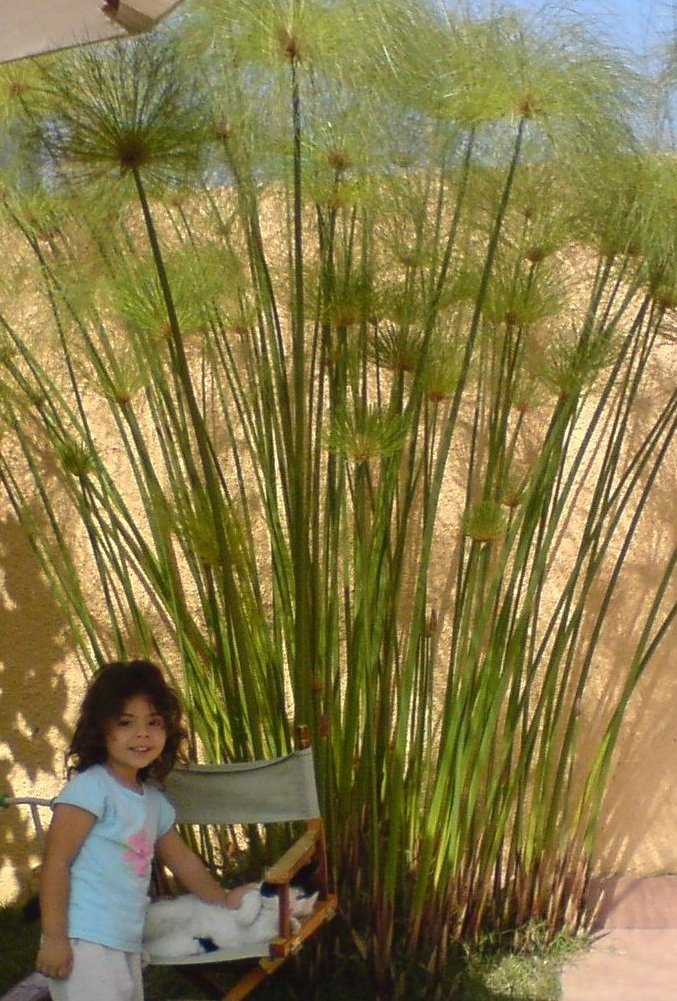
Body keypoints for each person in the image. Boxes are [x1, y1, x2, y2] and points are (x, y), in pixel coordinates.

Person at [36, 659, 253, 1001]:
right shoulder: (91, 790)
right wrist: (54, 938)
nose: (142, 734)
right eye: (126, 723)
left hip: (126, 942)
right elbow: (56, 863)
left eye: (154, 723)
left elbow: (184, 863)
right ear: (100, 730)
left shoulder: (153, 803)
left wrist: (223, 900)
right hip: (84, 941)